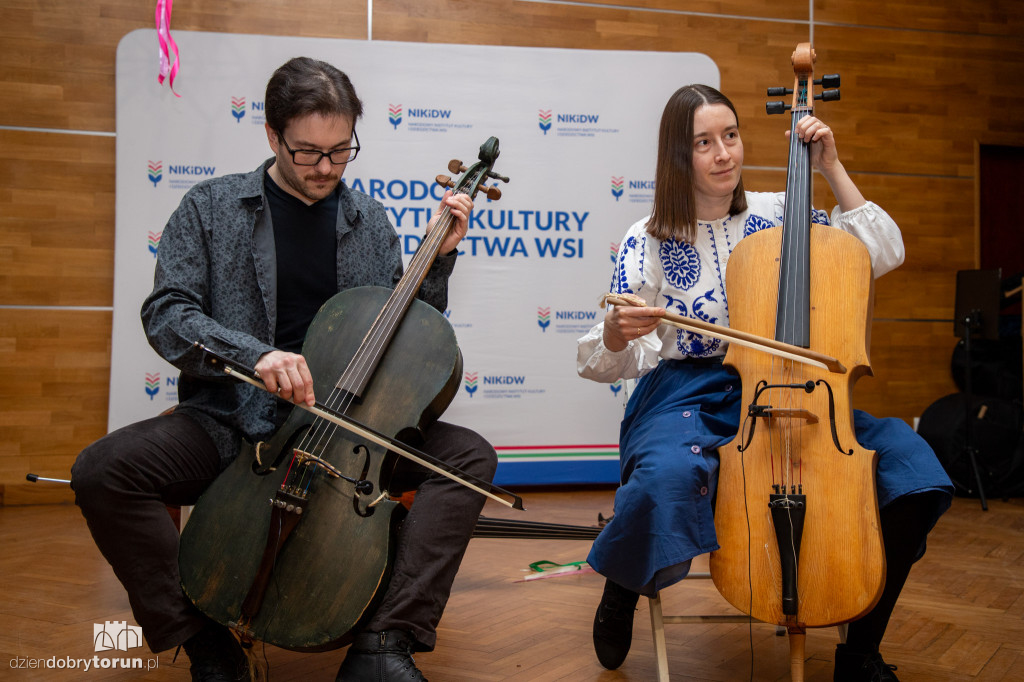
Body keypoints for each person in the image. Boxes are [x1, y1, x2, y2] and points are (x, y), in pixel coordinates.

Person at [71, 57, 496, 682]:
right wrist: (256, 356)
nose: (326, 168)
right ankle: (203, 641)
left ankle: (384, 643)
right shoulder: (210, 208)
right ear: (272, 136)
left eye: (340, 150)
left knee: (468, 459)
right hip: (227, 420)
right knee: (102, 470)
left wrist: (439, 260)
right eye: (308, 152)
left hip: (349, 429)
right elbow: (167, 313)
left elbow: (409, 341)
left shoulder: (369, 222)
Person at [577, 84, 953, 682]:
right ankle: (625, 578)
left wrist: (830, 166)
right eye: (704, 143)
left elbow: (882, 252)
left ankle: (860, 651)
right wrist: (619, 332)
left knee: (914, 474)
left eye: (731, 135)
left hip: (791, 386)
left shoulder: (780, 212)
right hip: (688, 393)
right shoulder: (644, 238)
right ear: (679, 156)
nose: (724, 153)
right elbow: (609, 361)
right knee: (667, 478)